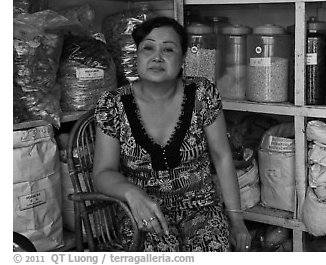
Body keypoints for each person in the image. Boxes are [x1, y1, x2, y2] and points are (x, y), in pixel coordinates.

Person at [92, 16, 251, 252]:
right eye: (148, 48)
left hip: (202, 209)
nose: (157, 57)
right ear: (137, 55)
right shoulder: (113, 105)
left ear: (183, 58)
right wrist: (131, 193)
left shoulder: (202, 94)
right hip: (145, 212)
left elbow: (222, 156)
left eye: (168, 49)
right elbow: (103, 173)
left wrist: (237, 221)